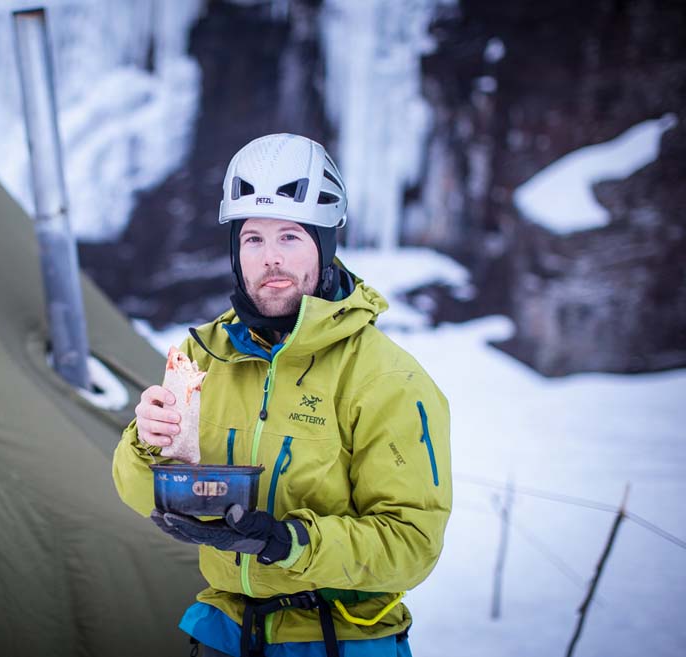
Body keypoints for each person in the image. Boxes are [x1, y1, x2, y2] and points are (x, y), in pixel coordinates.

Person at [113, 133, 452, 657]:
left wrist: (289, 543)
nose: (270, 259)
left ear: (324, 244)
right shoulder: (202, 357)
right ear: (235, 250)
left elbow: (414, 545)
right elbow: (143, 494)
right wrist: (145, 444)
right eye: (253, 239)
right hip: (225, 632)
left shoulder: (387, 378)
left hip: (342, 640)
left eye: (290, 237)